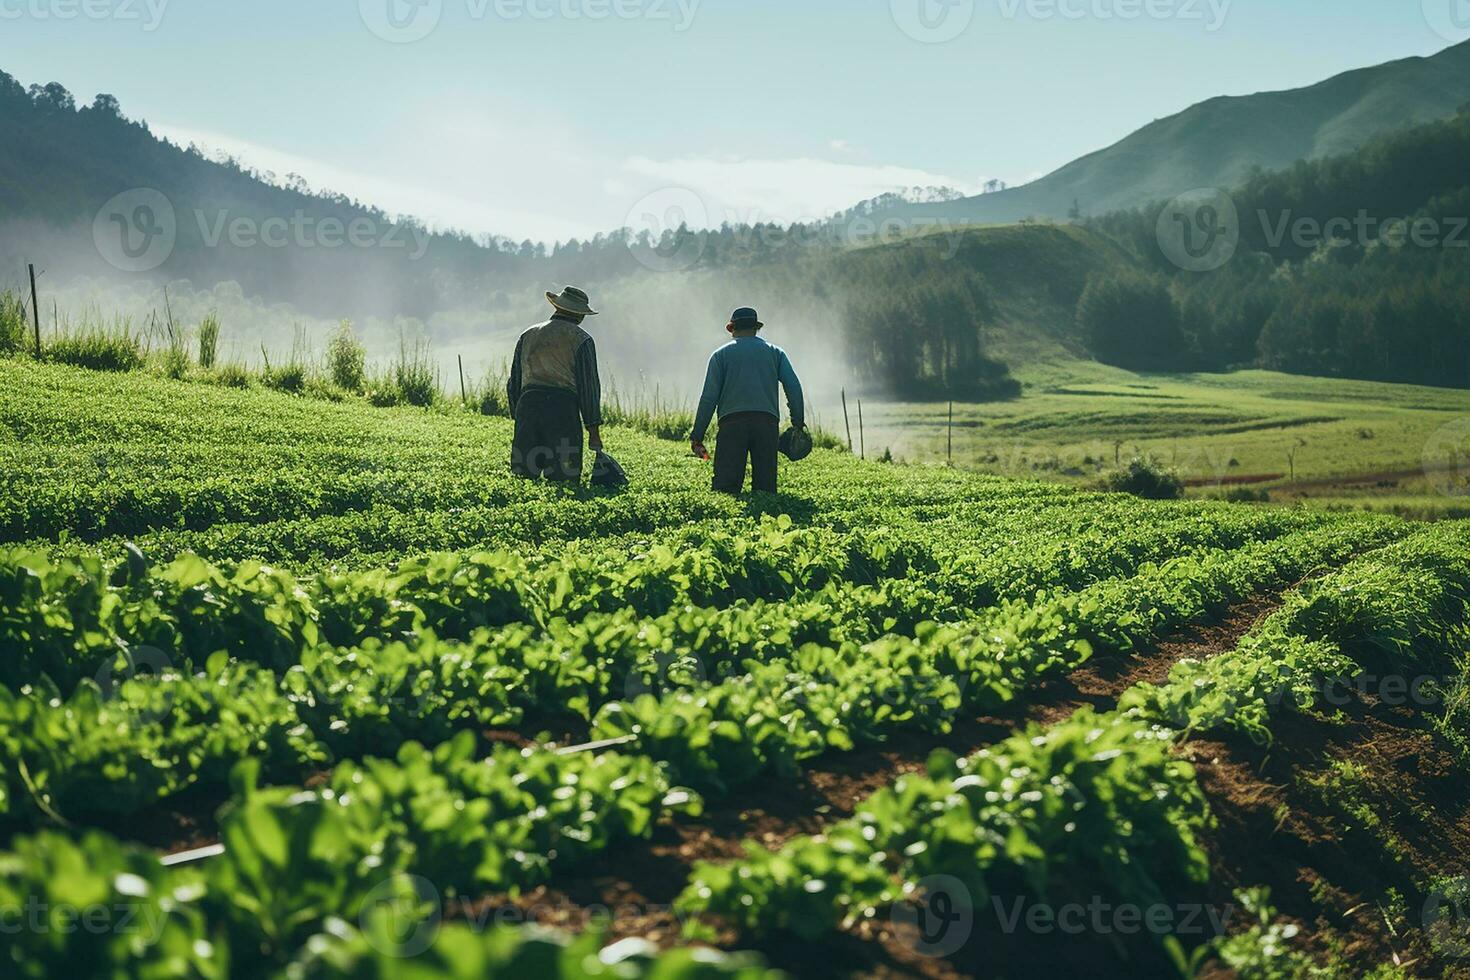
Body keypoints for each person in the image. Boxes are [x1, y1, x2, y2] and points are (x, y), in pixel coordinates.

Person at [691, 307, 806, 495]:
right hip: (766, 423)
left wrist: (697, 434)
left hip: (731, 424)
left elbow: (709, 398)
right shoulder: (775, 353)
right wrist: (798, 422)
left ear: (732, 329)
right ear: (756, 328)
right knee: (765, 486)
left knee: (726, 487)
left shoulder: (720, 355)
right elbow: (793, 386)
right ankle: (765, 515)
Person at [507, 286, 604, 482]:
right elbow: (589, 388)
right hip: (561, 411)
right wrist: (593, 431)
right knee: (563, 479)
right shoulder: (582, 339)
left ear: (557, 308)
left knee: (523, 478)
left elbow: (514, 381)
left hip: (528, 406)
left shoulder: (528, 334)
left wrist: (518, 415)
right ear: (580, 316)